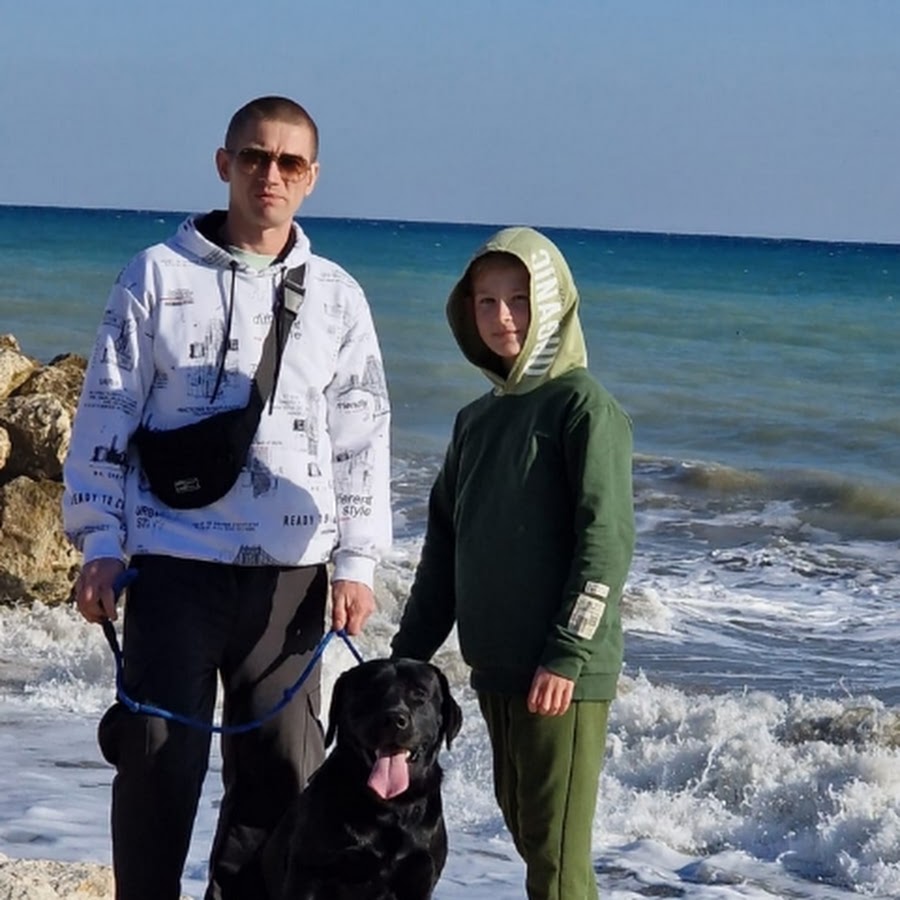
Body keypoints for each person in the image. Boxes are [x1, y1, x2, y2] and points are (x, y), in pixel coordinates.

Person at [63, 95, 392, 900]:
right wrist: (99, 544)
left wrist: (357, 563)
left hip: (291, 575)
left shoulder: (338, 295)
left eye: (289, 162)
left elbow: (361, 435)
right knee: (155, 758)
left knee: (281, 771)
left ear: (311, 178)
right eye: (254, 157)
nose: (269, 174)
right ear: (224, 164)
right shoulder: (154, 274)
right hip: (172, 565)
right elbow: (106, 411)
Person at [390, 227, 634, 900]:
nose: (503, 317)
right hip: (494, 668)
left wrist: (567, 654)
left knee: (556, 863)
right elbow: (443, 551)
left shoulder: (583, 407)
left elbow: (605, 541)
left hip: (560, 674)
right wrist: (404, 659)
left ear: (553, 303)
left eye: (521, 299)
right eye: (487, 302)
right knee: (530, 838)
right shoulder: (475, 421)